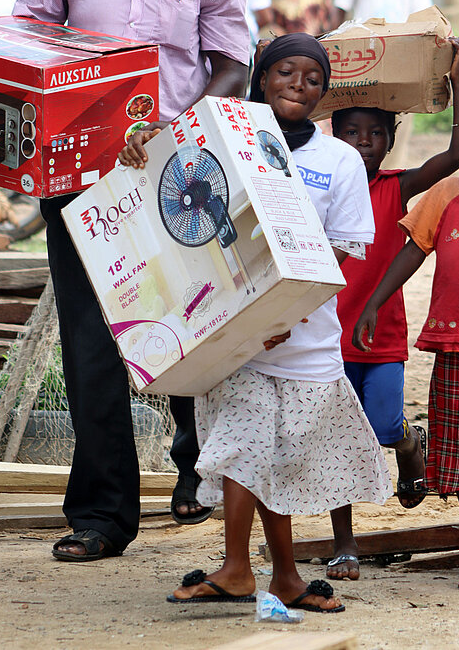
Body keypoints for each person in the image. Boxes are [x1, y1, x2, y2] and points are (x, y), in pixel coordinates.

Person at [13, 0, 250, 560]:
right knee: (91, 344)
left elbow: (234, 66)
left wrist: (175, 136)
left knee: (192, 325)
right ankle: (102, 515)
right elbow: (26, 34)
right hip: (81, 178)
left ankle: (194, 471)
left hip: (175, 180)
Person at [133, 34, 391, 610]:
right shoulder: (225, 138)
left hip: (304, 338)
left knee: (282, 457)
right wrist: (139, 148)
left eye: (313, 79)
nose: (299, 86)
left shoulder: (339, 159)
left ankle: (283, 577)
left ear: (325, 94)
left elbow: (344, 249)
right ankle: (237, 570)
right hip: (234, 334)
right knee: (243, 448)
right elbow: (172, 191)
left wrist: (283, 314)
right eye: (285, 73)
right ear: (261, 78)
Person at [326, 38, 459, 580]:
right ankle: (344, 543)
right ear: (333, 138)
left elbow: (457, 154)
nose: (364, 143)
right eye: (352, 133)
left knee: (383, 425)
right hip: (324, 336)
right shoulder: (312, 186)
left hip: (380, 335)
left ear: (390, 140)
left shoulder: (395, 188)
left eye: (376, 133)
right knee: (337, 438)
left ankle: (410, 443)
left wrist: (458, 80)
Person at [351, 104, 459, 591]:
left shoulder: (413, 187)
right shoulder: (446, 195)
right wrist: (375, 301)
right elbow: (413, 251)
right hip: (454, 344)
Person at [333, 0, 433, 170]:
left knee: (399, 113)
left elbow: (422, 16)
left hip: (400, 53)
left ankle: (391, 172)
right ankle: (356, 170)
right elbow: (339, 11)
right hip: (363, 54)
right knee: (361, 112)